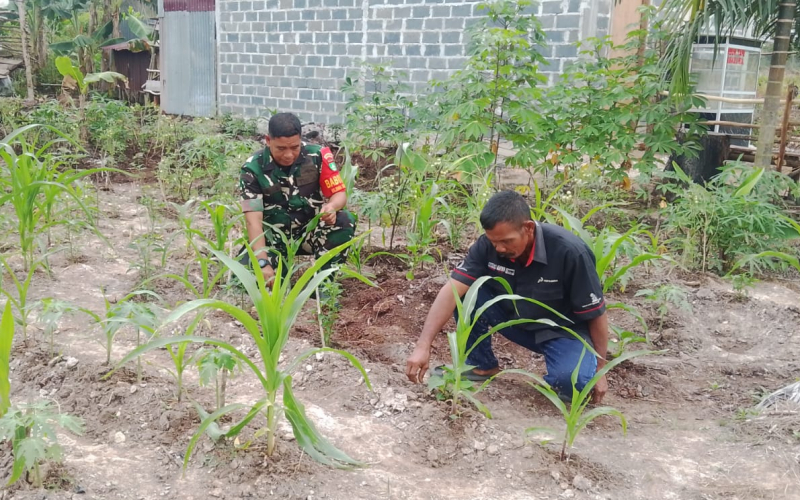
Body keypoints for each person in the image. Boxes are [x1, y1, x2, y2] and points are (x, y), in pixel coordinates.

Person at [405, 190, 610, 403]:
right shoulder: (488, 245)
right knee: (467, 293)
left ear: (528, 228)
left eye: (506, 241)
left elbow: (596, 313)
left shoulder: (569, 251)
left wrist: (601, 369)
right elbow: (451, 291)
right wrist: (423, 345)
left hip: (562, 332)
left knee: (574, 385)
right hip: (516, 322)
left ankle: (571, 372)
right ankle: (480, 365)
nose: (499, 248)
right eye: (494, 241)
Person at [238, 112, 355, 283]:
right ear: (268, 140)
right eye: (281, 148)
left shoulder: (317, 156)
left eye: (294, 147)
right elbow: (253, 221)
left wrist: (332, 207)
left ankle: (323, 284)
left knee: (344, 220)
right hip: (273, 239)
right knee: (251, 282)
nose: (288, 155)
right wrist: (262, 262)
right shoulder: (252, 168)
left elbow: (339, 193)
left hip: (310, 232)